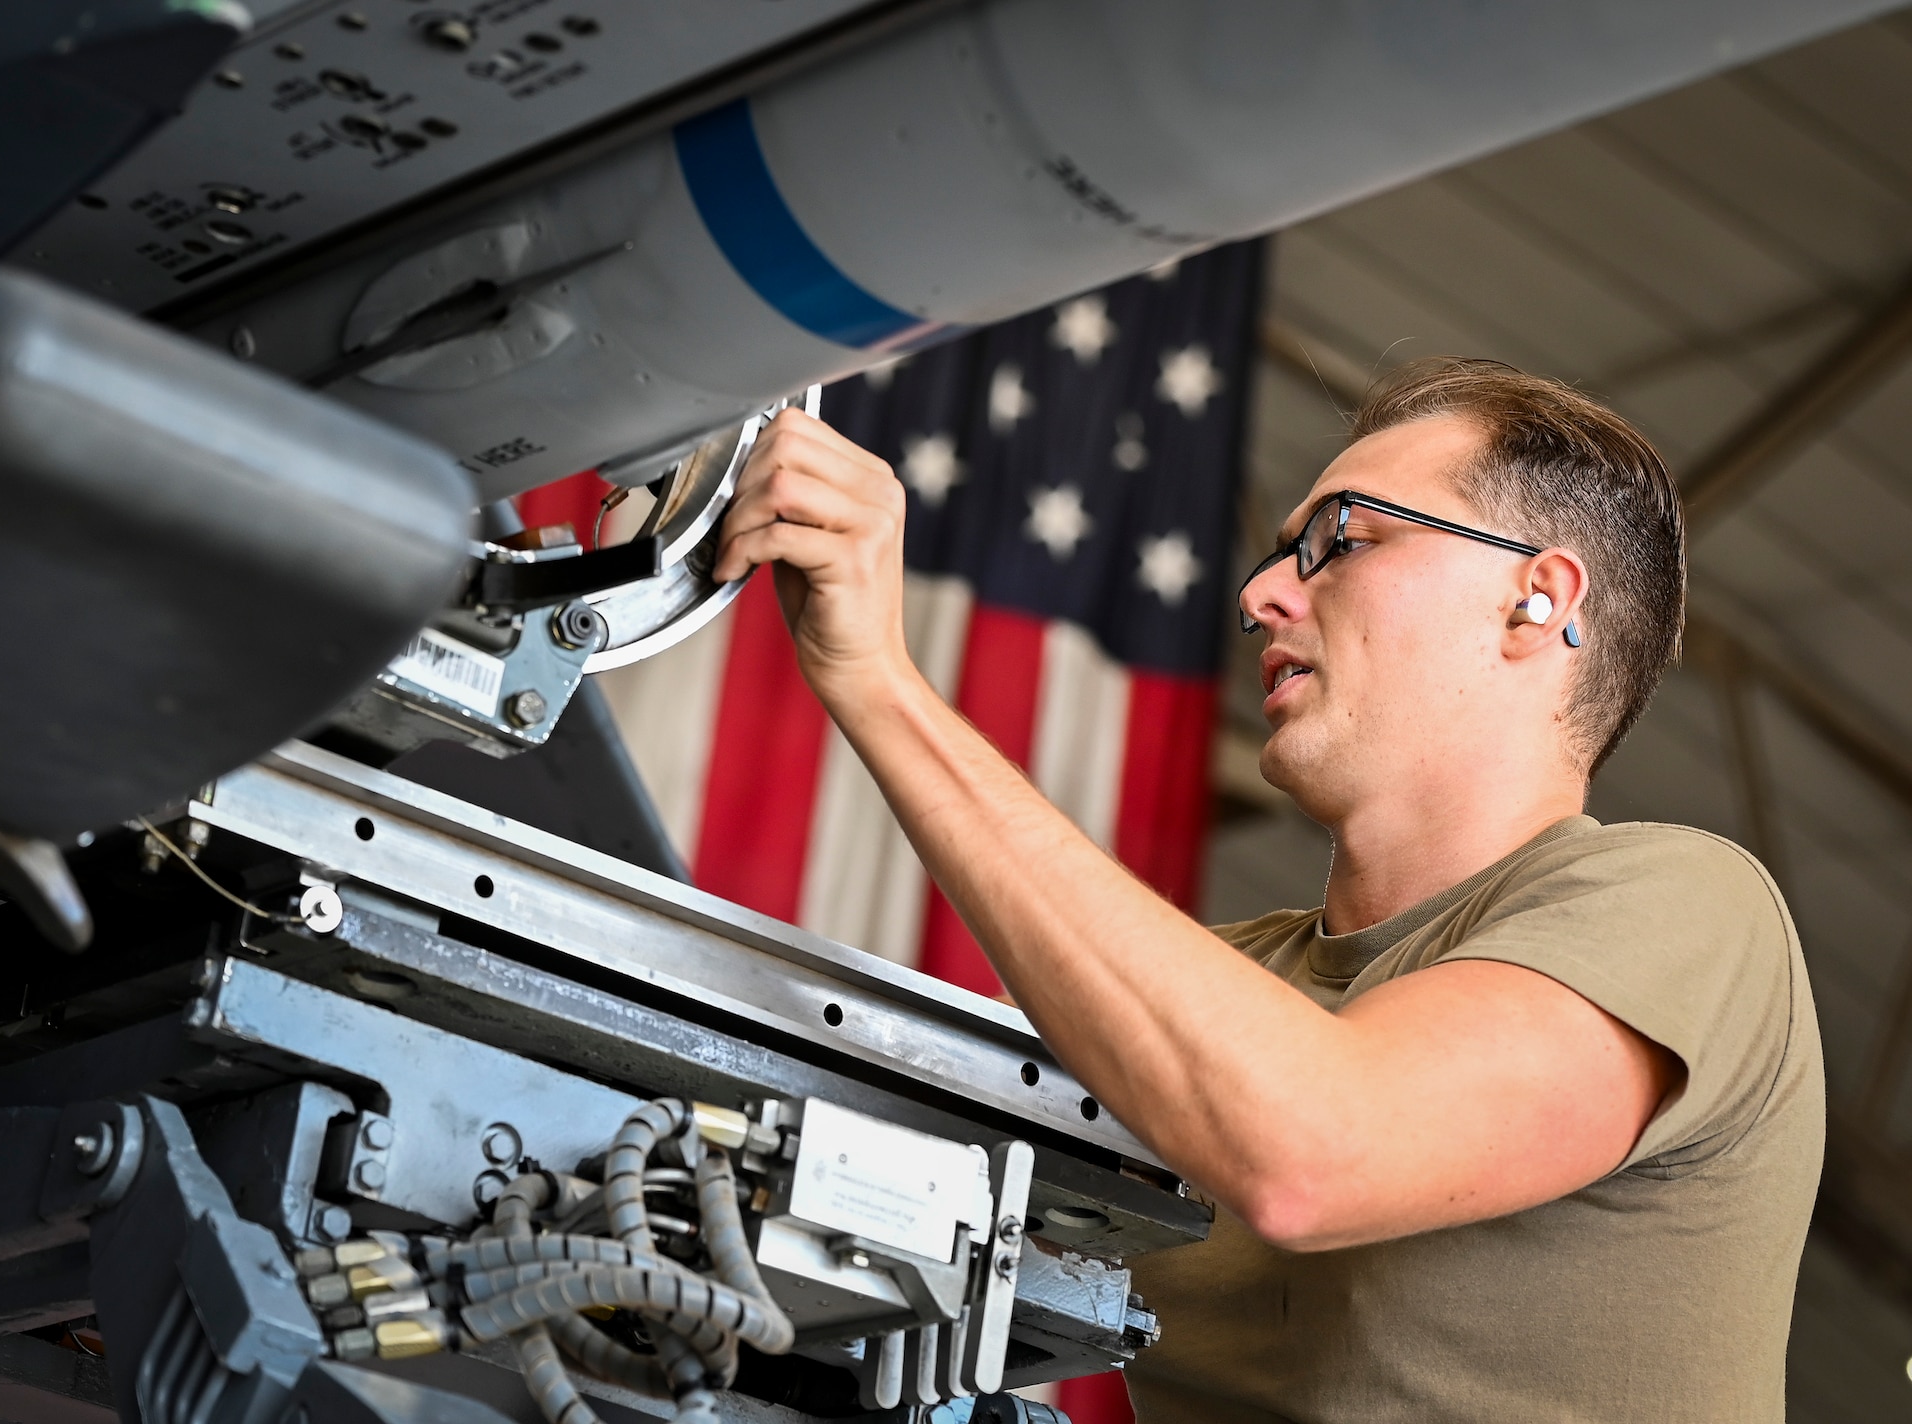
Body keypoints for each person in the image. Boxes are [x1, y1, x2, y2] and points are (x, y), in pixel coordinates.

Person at [711, 356, 1823, 1423]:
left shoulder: (1687, 904)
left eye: (1339, 539)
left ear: (1533, 600)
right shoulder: (1233, 982)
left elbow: (1318, 1149)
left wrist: (878, 682)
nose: (1256, 595)